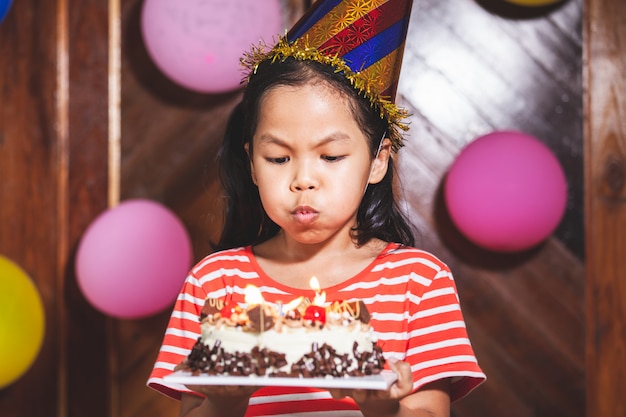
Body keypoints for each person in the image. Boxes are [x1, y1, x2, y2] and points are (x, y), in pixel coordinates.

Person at [148, 1, 485, 416]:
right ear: (252, 163)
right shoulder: (215, 284)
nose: (303, 180)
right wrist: (223, 400)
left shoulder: (418, 283)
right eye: (278, 158)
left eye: (330, 156)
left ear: (378, 160)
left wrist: (383, 408)